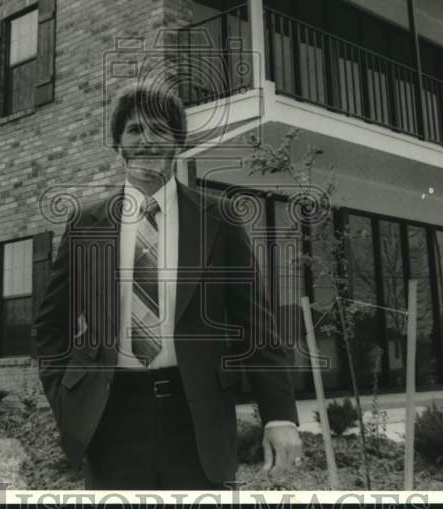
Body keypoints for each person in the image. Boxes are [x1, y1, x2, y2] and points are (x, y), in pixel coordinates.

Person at [33, 82, 302, 489]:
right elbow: (51, 325)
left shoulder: (220, 220)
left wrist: (279, 414)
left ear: (178, 140)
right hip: (110, 417)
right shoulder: (86, 224)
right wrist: (66, 399)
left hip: (196, 416)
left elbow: (257, 324)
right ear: (119, 143)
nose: (146, 140)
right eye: (134, 129)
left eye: (159, 129)